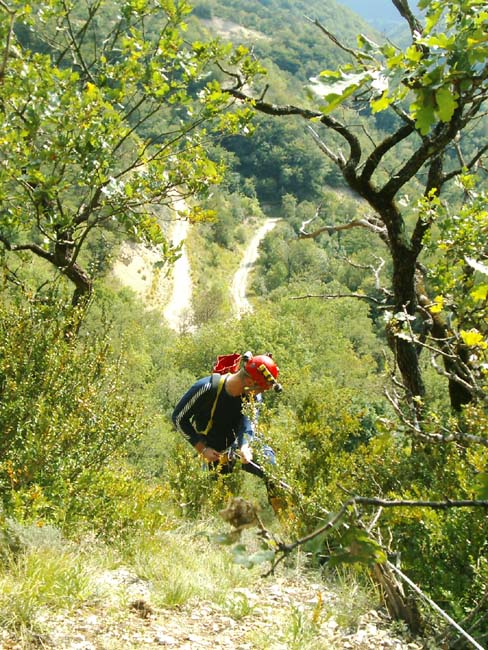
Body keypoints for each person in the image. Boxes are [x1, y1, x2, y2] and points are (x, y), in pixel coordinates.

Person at [172, 352, 281, 486]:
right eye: (261, 389)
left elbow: (248, 424)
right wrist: (202, 449)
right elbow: (178, 418)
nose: (260, 393)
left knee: (270, 467)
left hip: (238, 445)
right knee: (212, 491)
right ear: (249, 382)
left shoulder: (254, 397)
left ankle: (280, 497)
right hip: (212, 451)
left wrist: (245, 447)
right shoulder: (206, 387)